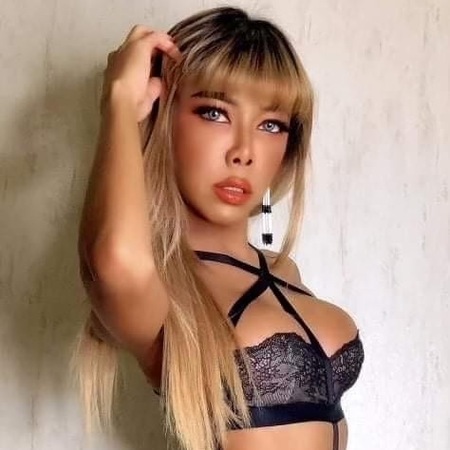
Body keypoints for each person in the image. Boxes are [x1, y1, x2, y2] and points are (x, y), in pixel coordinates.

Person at [72, 6, 365, 450]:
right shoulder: (164, 287)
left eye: (271, 124)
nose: (244, 151)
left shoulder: (284, 271)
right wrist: (119, 104)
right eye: (214, 113)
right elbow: (115, 260)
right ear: (162, 118)